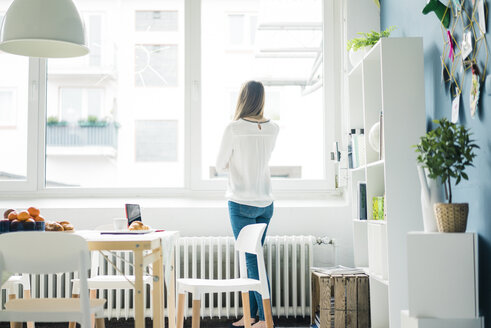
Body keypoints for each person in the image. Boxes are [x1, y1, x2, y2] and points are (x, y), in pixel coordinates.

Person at [216, 80, 279, 328]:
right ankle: (250, 316)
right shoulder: (273, 128)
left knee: (250, 261)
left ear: (242, 98)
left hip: (241, 201)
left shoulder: (234, 128)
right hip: (266, 203)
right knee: (255, 259)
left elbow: (220, 163)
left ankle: (263, 318)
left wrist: (236, 162)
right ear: (261, 99)